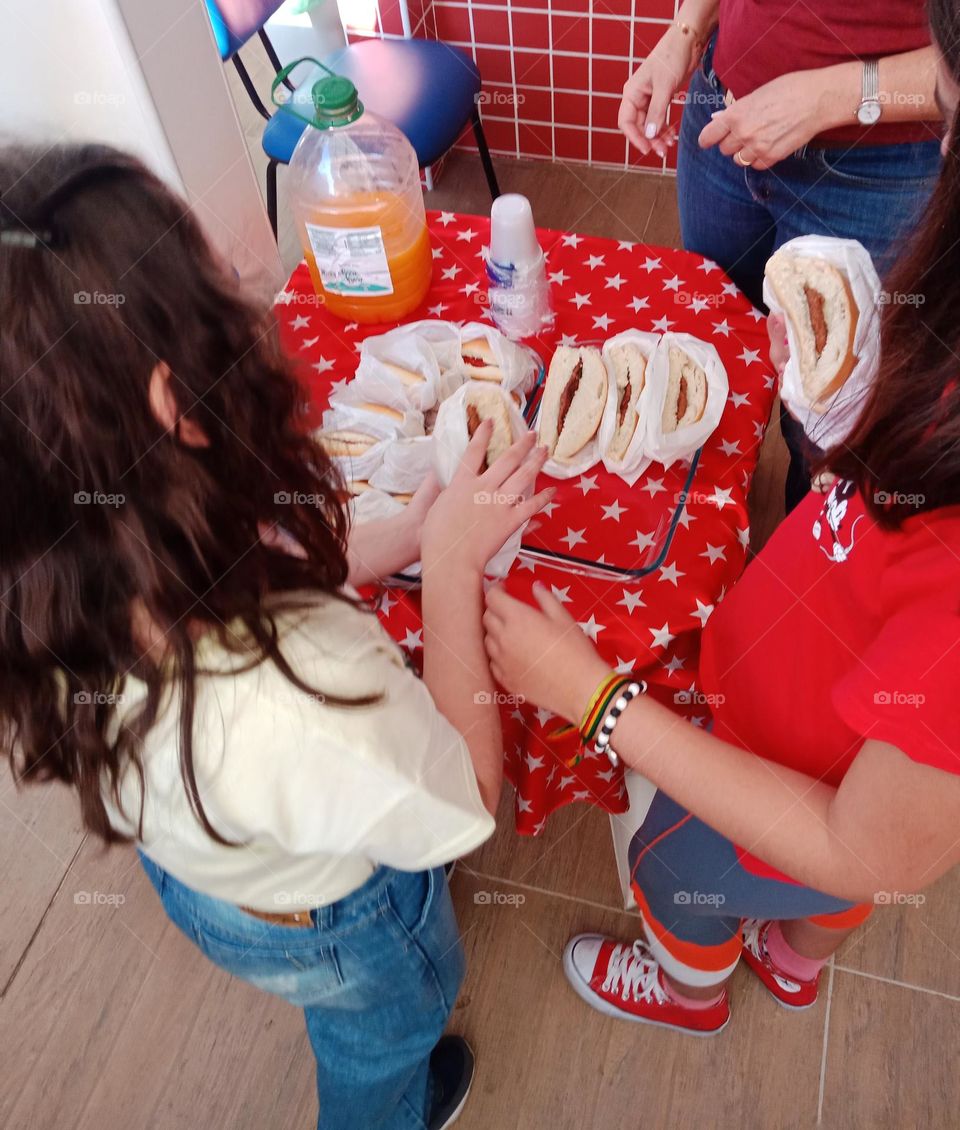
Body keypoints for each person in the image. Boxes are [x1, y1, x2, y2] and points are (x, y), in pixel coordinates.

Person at [0, 142, 552, 1129]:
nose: (243, 279)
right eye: (212, 277)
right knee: (382, 1034)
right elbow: (472, 797)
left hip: (204, 871)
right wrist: (450, 569)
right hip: (343, 922)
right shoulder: (306, 690)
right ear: (176, 403)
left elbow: (256, 562)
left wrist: (407, 535)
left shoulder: (80, 568)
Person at [484, 0, 960, 1038]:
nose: (938, 147)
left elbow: (861, 851)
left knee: (676, 879)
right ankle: (792, 961)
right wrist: (846, 422)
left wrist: (598, 700)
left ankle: (690, 993)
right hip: (793, 708)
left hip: (773, 790)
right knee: (820, 907)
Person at [619, 0, 943, 512]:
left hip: (878, 172)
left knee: (828, 427)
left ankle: (800, 545)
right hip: (720, 119)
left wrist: (824, 97)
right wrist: (685, 33)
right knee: (713, 360)